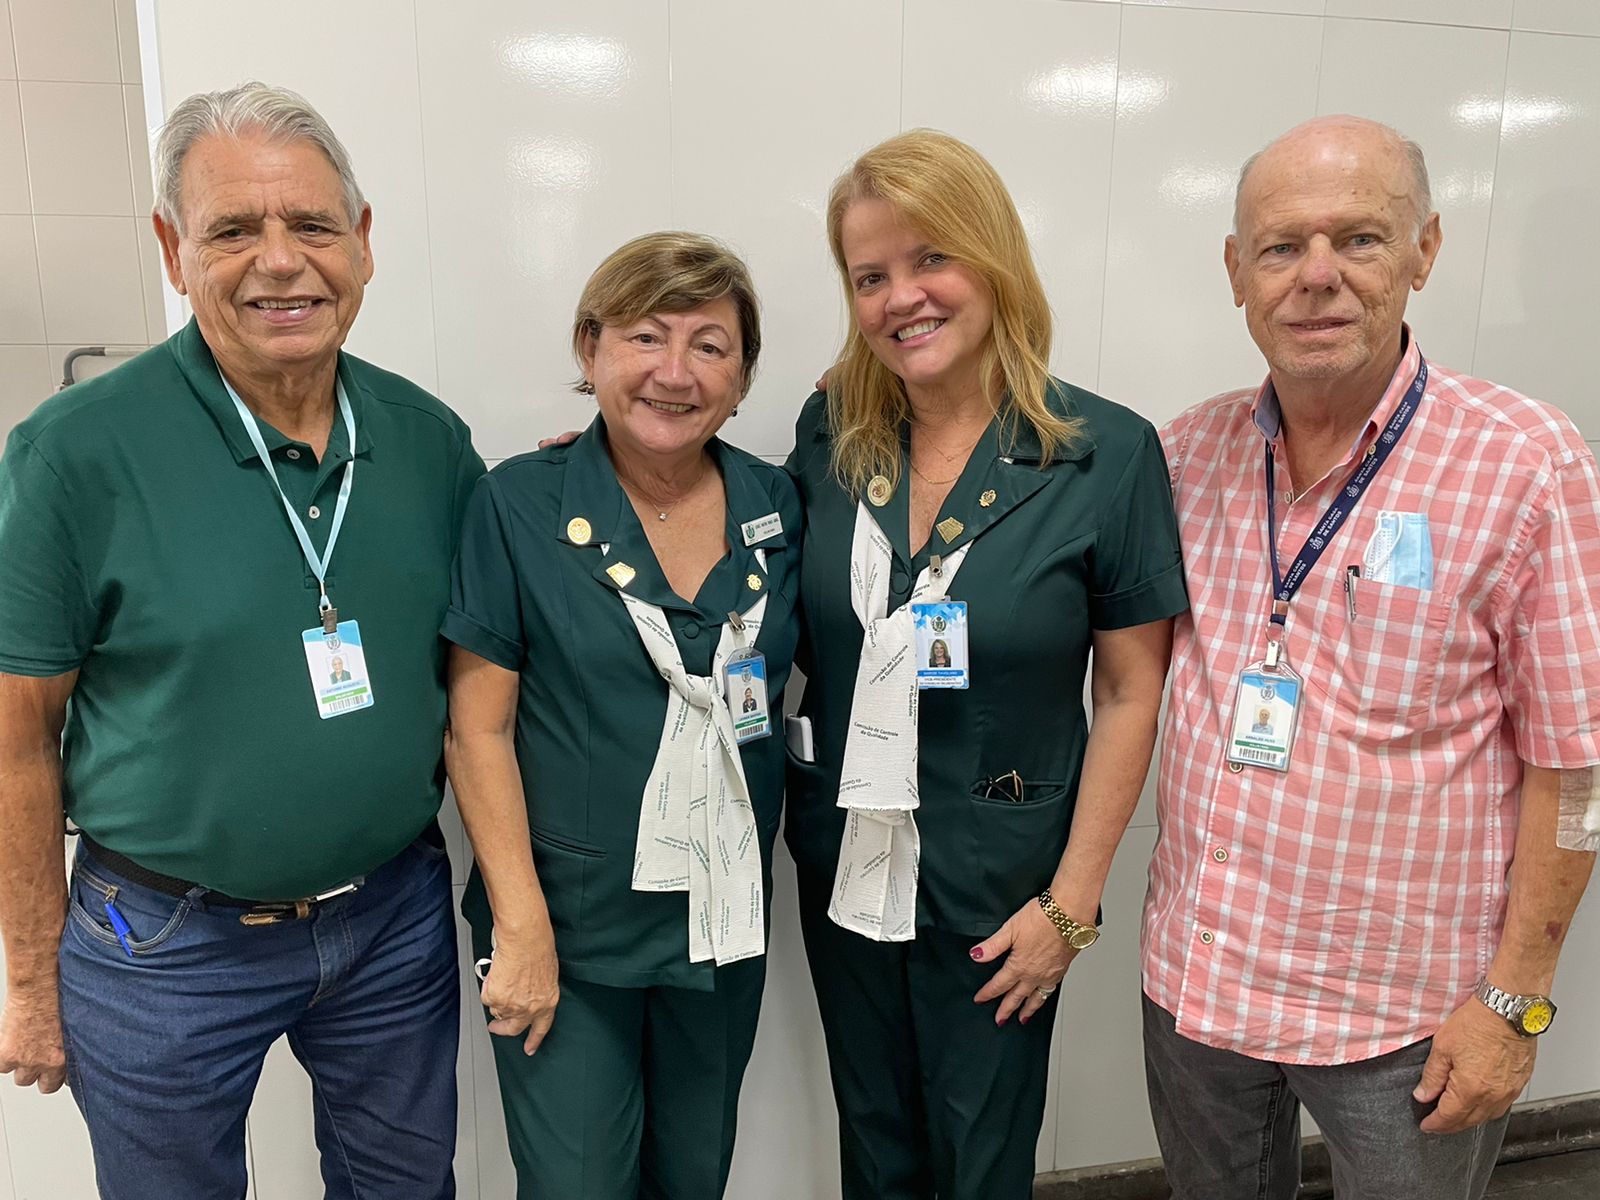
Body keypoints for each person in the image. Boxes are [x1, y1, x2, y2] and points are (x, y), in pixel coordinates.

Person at [0, 83, 482, 1199]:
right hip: (163, 943)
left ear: (362, 243)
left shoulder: (429, 444)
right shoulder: (73, 455)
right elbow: (17, 740)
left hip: (390, 920)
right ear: (174, 251)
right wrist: (29, 982)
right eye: (232, 230)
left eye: (312, 224)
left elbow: (490, 671)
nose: (280, 261)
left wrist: (608, 469)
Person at [1145, 115, 1600, 1200]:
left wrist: (1514, 1005)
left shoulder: (1525, 463)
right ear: (1236, 272)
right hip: (1200, 985)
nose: (1317, 276)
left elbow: (1576, 764)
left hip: (1407, 1019)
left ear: (1423, 251)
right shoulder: (1184, 455)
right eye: (1280, 246)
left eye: (1358, 238)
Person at [784, 130, 1188, 1199]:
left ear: (994, 259)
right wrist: (610, 467)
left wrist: (1071, 904)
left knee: (981, 1158)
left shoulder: (1102, 453)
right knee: (874, 1141)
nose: (901, 297)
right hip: (848, 858)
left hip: (1003, 880)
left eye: (931, 259)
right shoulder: (832, 434)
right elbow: (736, 531)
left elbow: (1132, 691)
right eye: (869, 277)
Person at [443, 232, 800, 1199]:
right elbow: (476, 730)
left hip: (721, 920)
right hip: (567, 928)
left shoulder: (776, 505)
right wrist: (520, 925)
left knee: (694, 1175)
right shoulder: (519, 503)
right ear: (590, 348)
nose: (674, 373)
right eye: (646, 337)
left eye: (710, 346)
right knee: (579, 1183)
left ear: (742, 375)